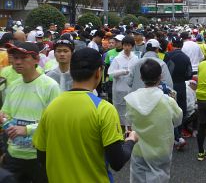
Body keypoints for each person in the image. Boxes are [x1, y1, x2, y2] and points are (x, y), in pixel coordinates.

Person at [33, 48, 138, 183]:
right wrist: (131, 140)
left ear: (72, 70)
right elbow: (117, 162)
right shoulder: (104, 109)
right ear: (98, 72)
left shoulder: (51, 107)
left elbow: (41, 155)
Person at [1, 42, 60, 182]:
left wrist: (27, 129)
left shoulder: (50, 86)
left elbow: (55, 121)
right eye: (15, 58)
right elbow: (6, 114)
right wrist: (3, 119)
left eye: (23, 57)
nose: (17, 62)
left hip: (39, 156)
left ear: (36, 60)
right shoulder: (13, 86)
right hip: (13, 155)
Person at [124, 59, 182, 183]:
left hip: (138, 148)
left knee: (137, 178)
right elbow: (178, 120)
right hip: (161, 150)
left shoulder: (131, 99)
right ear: (160, 77)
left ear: (141, 77)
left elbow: (128, 121)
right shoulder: (168, 101)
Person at [163, 36, 192, 150]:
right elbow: (189, 74)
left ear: (172, 44)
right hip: (181, 85)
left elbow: (164, 70)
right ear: (182, 45)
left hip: (170, 86)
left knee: (169, 110)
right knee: (180, 110)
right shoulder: (186, 57)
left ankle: (173, 136)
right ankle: (179, 133)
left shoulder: (168, 55)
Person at [108, 36, 138, 127]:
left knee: (130, 110)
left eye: (129, 46)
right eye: (125, 45)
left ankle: (129, 128)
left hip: (131, 90)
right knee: (119, 109)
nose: (126, 48)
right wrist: (122, 72)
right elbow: (110, 73)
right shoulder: (118, 58)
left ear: (132, 46)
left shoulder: (135, 58)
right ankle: (120, 127)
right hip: (119, 89)